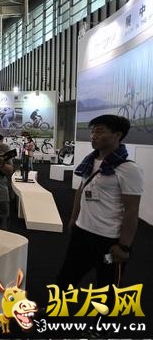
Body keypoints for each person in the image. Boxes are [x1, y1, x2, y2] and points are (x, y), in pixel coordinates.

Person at [56, 115, 143, 291]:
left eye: (100, 131)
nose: (93, 136)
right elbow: (81, 191)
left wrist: (124, 246)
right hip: (82, 235)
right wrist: (74, 219)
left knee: (108, 284)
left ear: (117, 135)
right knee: (65, 279)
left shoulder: (128, 169)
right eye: (92, 131)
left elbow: (132, 210)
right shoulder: (89, 161)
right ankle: (55, 306)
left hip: (108, 242)